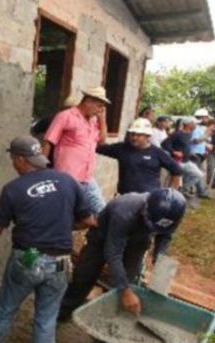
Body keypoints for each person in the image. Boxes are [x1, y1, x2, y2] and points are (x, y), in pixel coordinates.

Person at [0, 136, 95, 343]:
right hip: (59, 263)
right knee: (45, 319)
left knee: (6, 308)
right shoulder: (67, 181)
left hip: (27, 259)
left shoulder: (13, 189)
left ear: (21, 160)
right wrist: (64, 225)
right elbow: (88, 220)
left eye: (13, 159)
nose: (12, 163)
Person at [58, 189, 187, 321]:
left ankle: (108, 318)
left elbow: (165, 235)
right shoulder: (124, 211)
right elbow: (113, 253)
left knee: (128, 278)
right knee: (85, 275)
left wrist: (159, 256)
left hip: (138, 239)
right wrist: (125, 291)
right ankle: (61, 314)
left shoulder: (171, 216)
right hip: (103, 238)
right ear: (146, 210)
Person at [43, 86, 109, 215]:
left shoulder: (93, 121)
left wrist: (102, 119)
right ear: (88, 101)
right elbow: (48, 142)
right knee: (64, 214)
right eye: (99, 106)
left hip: (87, 178)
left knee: (103, 213)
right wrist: (40, 173)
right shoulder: (65, 116)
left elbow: (102, 140)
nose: (100, 110)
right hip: (67, 178)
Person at [96, 118, 182, 194]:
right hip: (126, 198)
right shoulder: (121, 148)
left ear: (148, 136)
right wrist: (101, 119)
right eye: (132, 134)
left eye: (139, 135)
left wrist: (171, 194)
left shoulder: (157, 152)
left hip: (149, 200)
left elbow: (177, 170)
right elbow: (99, 147)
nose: (134, 137)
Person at [163, 117, 207, 207]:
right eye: (194, 123)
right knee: (173, 181)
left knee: (198, 174)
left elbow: (186, 145)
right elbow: (164, 144)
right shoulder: (177, 134)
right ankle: (170, 198)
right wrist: (173, 151)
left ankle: (184, 190)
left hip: (187, 160)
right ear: (188, 124)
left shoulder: (190, 134)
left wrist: (191, 154)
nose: (195, 125)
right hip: (177, 161)